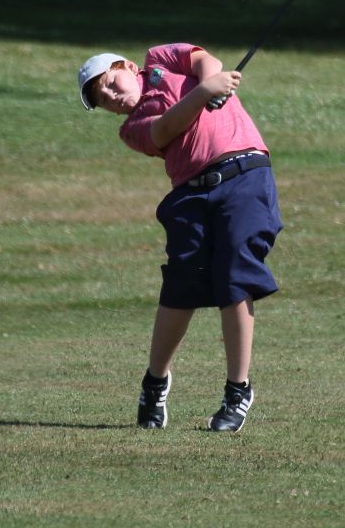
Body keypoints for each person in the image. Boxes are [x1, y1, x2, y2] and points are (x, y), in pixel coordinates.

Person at [76, 43, 282, 432]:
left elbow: (205, 61)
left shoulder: (160, 59)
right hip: (191, 193)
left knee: (235, 278)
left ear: (128, 66)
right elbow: (166, 129)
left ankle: (237, 391)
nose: (112, 97)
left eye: (111, 83)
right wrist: (205, 92)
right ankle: (155, 383)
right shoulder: (132, 129)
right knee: (181, 286)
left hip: (246, 173)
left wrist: (211, 81)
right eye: (104, 101)